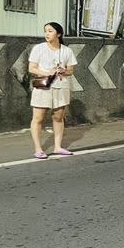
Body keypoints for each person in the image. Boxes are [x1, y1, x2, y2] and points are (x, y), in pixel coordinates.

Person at [28, 22, 78, 159]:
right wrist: (46, 72)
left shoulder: (67, 51)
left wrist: (64, 70)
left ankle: (57, 147)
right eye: (45, 31)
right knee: (38, 118)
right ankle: (38, 149)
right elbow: (32, 68)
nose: (47, 34)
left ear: (59, 34)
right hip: (43, 86)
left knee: (58, 117)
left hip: (61, 86)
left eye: (50, 31)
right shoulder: (39, 48)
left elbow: (71, 70)